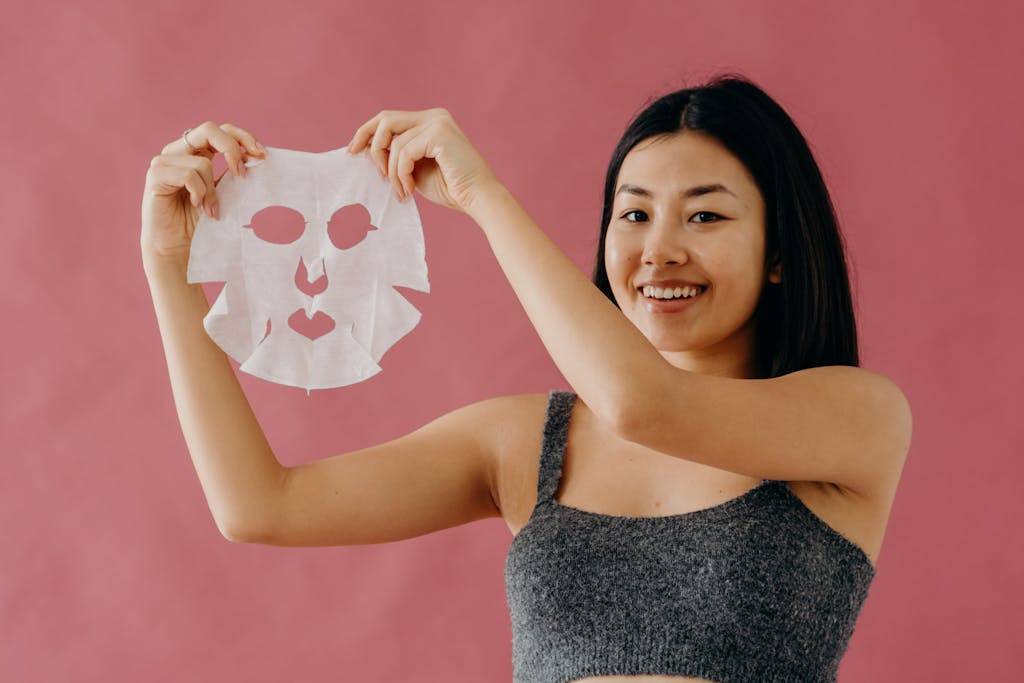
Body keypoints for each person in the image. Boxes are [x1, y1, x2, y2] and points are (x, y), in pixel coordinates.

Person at [141, 76, 912, 683]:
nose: (658, 251)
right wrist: (170, 267)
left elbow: (644, 403)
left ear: (781, 252)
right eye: (633, 215)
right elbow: (258, 504)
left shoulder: (855, 418)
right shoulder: (527, 444)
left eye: (704, 218)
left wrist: (483, 197)